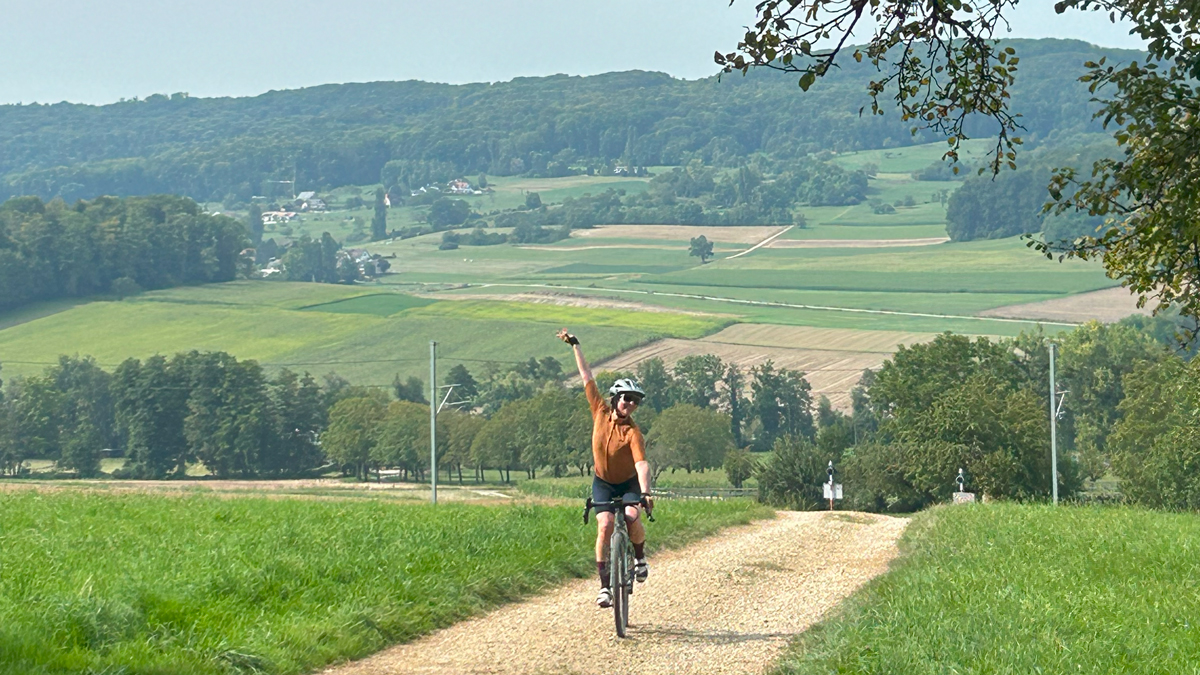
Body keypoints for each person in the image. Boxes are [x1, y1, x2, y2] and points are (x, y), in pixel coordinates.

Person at [558, 327, 653, 609]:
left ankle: (639, 558)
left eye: (635, 401)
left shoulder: (634, 433)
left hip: (629, 483)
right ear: (615, 398)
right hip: (603, 481)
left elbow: (641, 464)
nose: (631, 404)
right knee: (605, 526)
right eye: (627, 398)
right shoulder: (599, 410)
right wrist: (575, 344)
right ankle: (604, 588)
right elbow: (587, 376)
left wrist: (646, 492)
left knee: (631, 515)